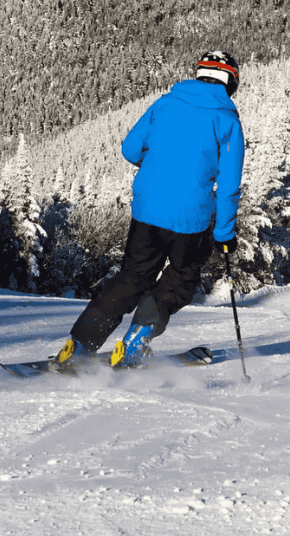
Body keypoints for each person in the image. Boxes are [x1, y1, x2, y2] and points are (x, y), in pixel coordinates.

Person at [54, 50, 245, 368]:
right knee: (181, 279)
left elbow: (130, 148)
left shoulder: (165, 104)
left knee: (132, 277)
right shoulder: (227, 122)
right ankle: (135, 340)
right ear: (231, 82)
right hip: (190, 218)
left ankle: (78, 346)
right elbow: (229, 187)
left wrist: (158, 164)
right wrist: (225, 232)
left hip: (147, 210)